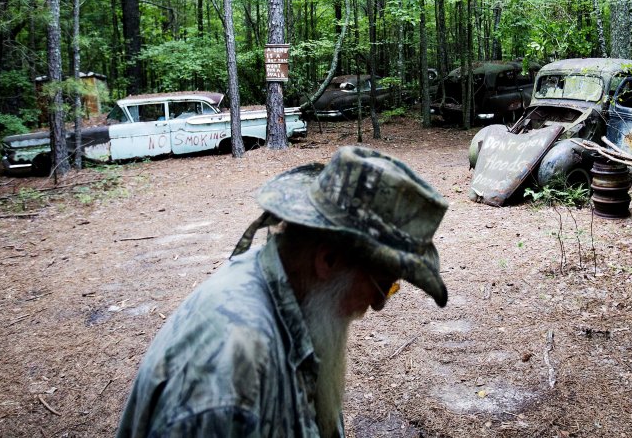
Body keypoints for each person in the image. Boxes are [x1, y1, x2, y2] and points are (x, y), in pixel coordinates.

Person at [116, 146, 449, 438]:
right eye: (384, 285)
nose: (378, 305)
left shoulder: (287, 295)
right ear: (328, 259)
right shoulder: (232, 375)